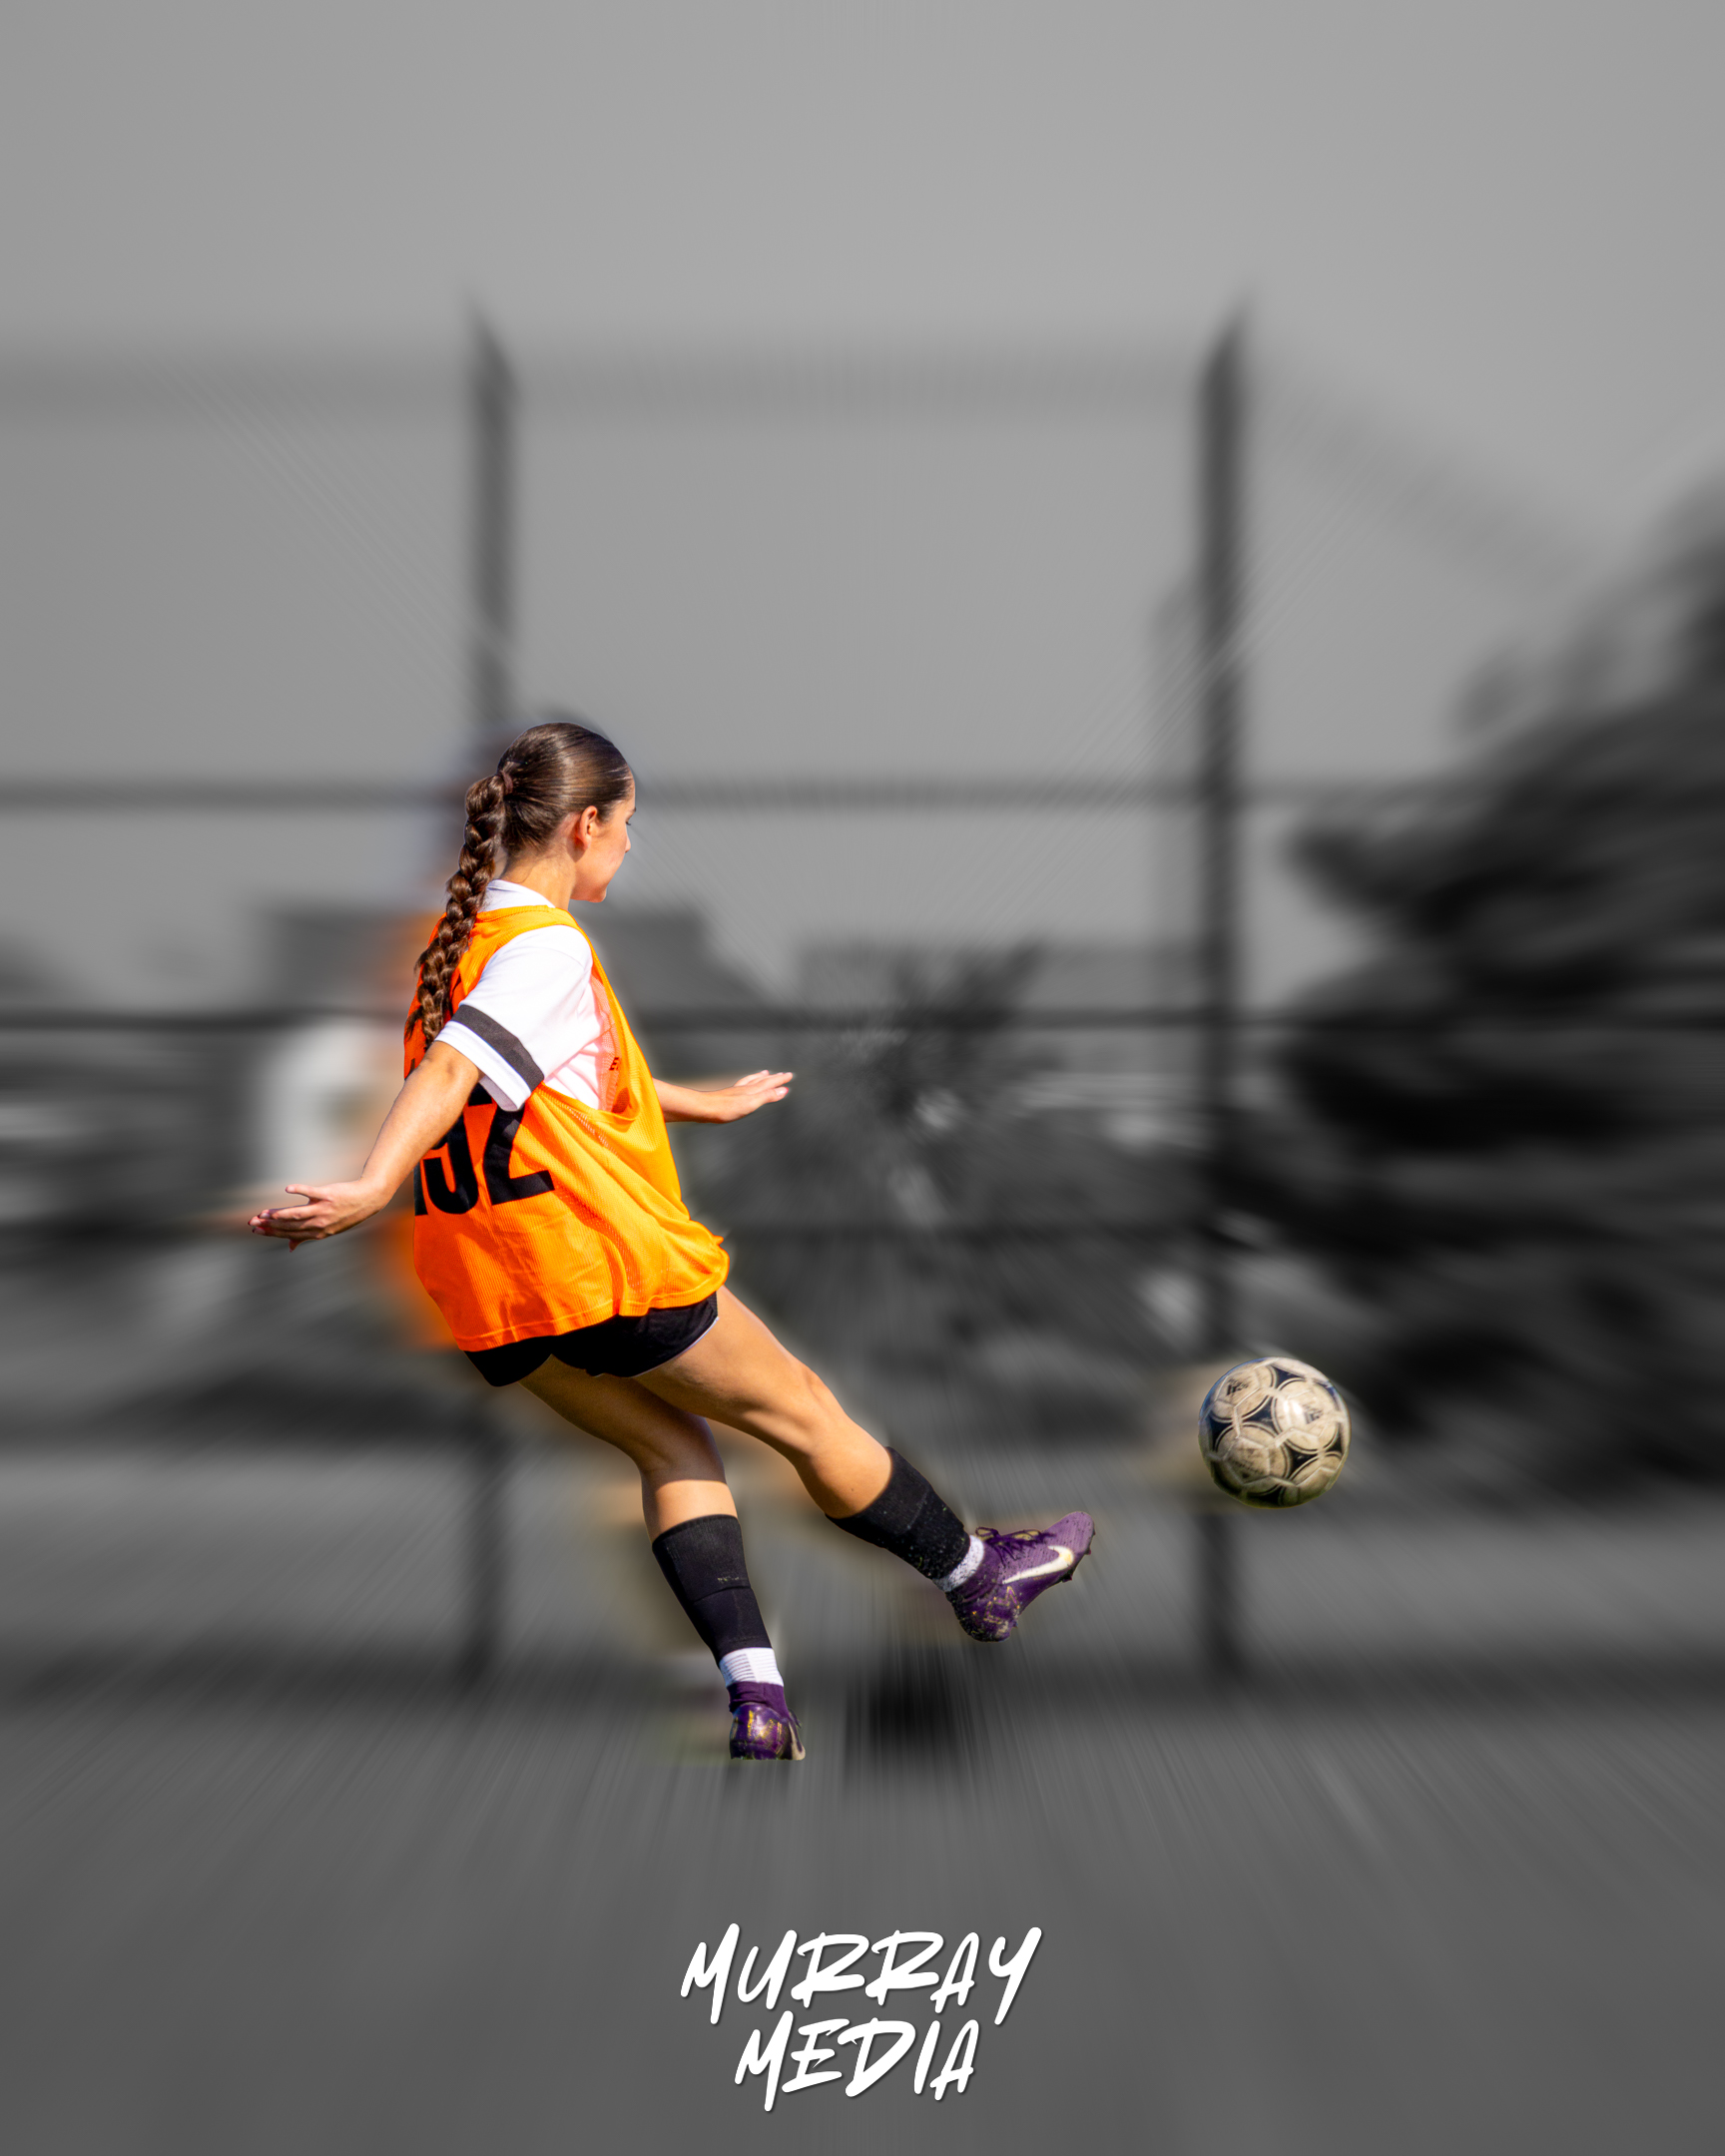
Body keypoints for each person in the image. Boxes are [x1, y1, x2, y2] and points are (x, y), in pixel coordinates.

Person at [250, 720, 1093, 1761]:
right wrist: (372, 1183)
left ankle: (757, 1700)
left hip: (488, 1286)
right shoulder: (548, 944)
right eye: (629, 825)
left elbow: (549, 1092)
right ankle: (978, 1576)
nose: (632, 847)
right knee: (807, 1417)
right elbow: (457, 1073)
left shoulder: (459, 940)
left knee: (669, 1445)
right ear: (584, 825)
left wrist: (695, 1104)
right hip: (596, 1264)